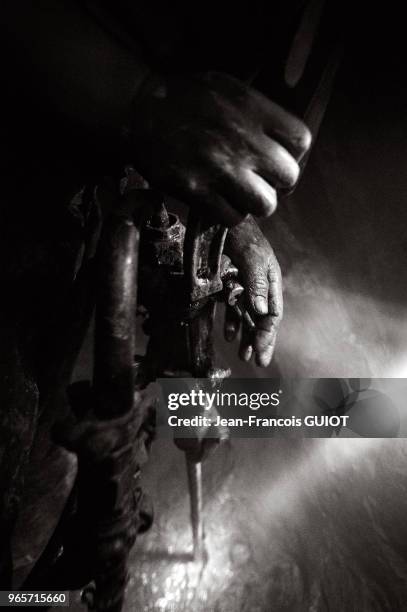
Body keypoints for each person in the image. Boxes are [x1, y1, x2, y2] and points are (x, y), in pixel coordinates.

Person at [1, 0, 313, 588]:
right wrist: (136, 99)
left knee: (40, 475)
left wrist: (226, 217)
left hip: (78, 209)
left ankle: (29, 592)